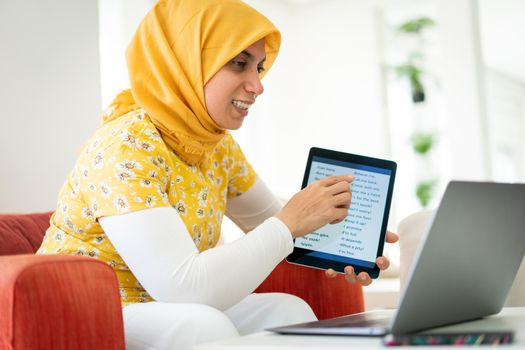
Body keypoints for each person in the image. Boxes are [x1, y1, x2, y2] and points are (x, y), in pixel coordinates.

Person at [37, 0, 398, 349]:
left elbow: (270, 222)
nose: (258, 85)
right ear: (185, 65)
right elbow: (182, 287)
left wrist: (346, 240)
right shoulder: (125, 145)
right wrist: (290, 223)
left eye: (258, 67)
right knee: (202, 325)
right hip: (93, 305)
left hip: (167, 307)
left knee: (289, 311)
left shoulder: (216, 145)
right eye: (239, 64)